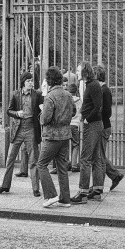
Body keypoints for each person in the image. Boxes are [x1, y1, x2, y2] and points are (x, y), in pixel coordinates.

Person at [0, 72, 43, 195]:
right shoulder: (15, 94)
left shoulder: (37, 94)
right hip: (18, 129)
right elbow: (8, 111)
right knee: (10, 158)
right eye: (29, 81)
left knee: (33, 159)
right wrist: (17, 113)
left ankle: (36, 188)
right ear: (23, 82)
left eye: (32, 80)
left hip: (31, 128)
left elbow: (42, 108)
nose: (31, 83)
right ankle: (5, 185)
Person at [35, 67, 75, 209]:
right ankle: (65, 199)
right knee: (62, 167)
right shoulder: (68, 95)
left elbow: (45, 119)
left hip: (52, 136)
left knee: (41, 164)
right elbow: (74, 111)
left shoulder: (50, 96)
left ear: (50, 80)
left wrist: (41, 114)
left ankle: (51, 195)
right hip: (65, 135)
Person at [73, 62, 104, 203]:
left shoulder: (92, 85)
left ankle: (83, 193)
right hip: (95, 124)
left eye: (78, 70)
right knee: (96, 158)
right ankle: (97, 190)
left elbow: (98, 106)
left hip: (92, 125)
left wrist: (87, 119)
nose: (77, 72)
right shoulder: (92, 85)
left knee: (85, 158)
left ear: (85, 72)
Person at [96, 65, 125, 192]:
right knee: (99, 155)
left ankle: (100, 185)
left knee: (99, 157)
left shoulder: (104, 91)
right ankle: (114, 175)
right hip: (103, 125)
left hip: (103, 126)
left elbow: (107, 112)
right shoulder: (103, 90)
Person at [67, 81, 82, 173]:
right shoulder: (79, 100)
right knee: (75, 144)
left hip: (67, 124)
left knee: (65, 145)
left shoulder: (67, 99)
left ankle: (65, 163)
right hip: (75, 124)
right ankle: (74, 164)